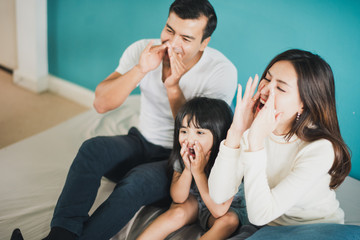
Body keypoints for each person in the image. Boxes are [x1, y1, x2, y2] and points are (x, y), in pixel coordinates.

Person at [10, 0, 237, 240]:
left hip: (179, 158)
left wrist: (172, 88)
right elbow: (101, 103)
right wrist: (140, 69)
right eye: (169, 30)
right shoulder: (143, 48)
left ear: (204, 43)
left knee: (137, 181)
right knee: (92, 149)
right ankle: (60, 236)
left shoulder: (221, 71)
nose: (173, 43)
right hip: (140, 140)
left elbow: (199, 136)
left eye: (186, 38)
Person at [208, 49, 351, 239]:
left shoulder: (321, 148)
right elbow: (219, 196)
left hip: (317, 228)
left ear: (305, 104)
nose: (265, 90)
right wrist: (236, 132)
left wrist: (255, 142)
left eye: (281, 88)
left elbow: (259, 215)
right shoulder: (256, 129)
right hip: (270, 226)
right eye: (267, 79)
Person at [136, 97, 247, 240]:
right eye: (184, 131)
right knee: (178, 211)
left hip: (226, 208)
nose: (189, 139)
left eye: (199, 133)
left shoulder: (230, 160)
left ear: (219, 135)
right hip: (197, 203)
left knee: (229, 220)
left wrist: (199, 172)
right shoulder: (184, 153)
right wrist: (188, 169)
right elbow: (178, 197)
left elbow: (219, 211)